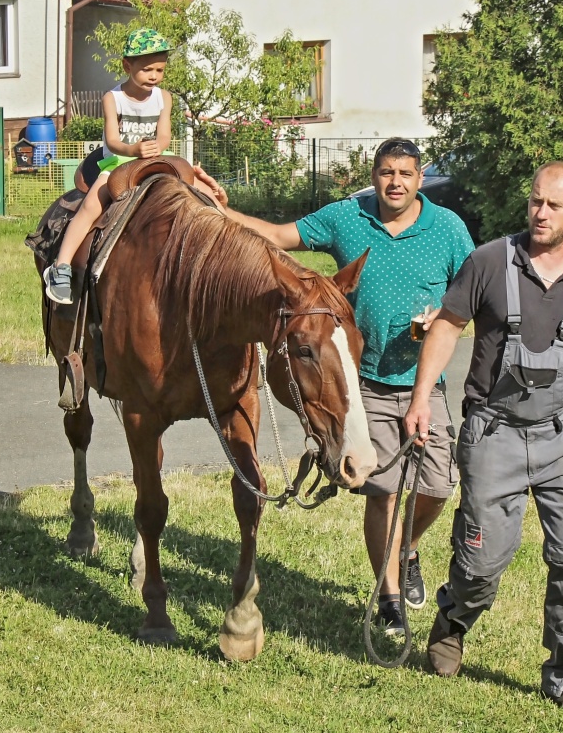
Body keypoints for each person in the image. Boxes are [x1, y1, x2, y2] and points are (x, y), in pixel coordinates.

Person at [194, 138, 475, 637]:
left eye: (405, 174)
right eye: (386, 172)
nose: (395, 183)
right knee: (382, 491)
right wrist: (220, 210)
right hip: (359, 381)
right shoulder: (348, 217)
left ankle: (406, 549)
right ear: (374, 175)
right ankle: (389, 602)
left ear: (420, 178)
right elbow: (278, 236)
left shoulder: (448, 229)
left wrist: (446, 317)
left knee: (438, 486)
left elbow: (471, 293)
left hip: (422, 382)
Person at [403, 161, 563, 714]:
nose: (540, 213)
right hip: (493, 432)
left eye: (554, 205)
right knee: (482, 564)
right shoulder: (488, 262)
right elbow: (447, 328)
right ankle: (454, 618)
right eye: (535, 201)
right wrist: (420, 397)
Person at [43, 28, 174, 304]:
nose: (154, 76)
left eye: (159, 70)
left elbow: (164, 135)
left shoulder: (164, 98)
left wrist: (156, 147)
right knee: (93, 204)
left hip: (153, 158)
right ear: (127, 66)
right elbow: (113, 141)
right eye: (147, 69)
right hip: (120, 160)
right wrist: (134, 150)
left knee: (193, 190)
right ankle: (61, 266)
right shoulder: (113, 98)